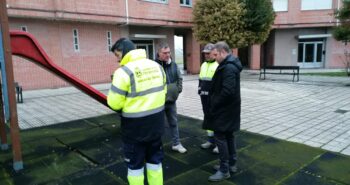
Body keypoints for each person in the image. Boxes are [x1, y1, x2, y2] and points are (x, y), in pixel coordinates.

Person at [107, 38, 166, 185]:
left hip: (135, 131)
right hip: (156, 126)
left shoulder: (123, 72)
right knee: (155, 163)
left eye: (117, 55)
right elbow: (163, 92)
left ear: (123, 51)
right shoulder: (157, 66)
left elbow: (114, 103)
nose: (117, 59)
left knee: (135, 168)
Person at [204, 41, 242, 182]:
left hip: (225, 109)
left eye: (215, 55)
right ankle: (231, 164)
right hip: (230, 109)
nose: (214, 58)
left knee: (220, 137)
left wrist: (214, 103)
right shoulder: (229, 65)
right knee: (229, 136)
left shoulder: (228, 68)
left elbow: (227, 91)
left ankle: (224, 169)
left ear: (222, 52)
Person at [155, 43, 187, 153]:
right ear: (159, 53)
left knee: (173, 122)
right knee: (158, 125)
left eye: (169, 52)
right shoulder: (154, 66)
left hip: (171, 100)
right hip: (158, 102)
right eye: (165, 53)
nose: (168, 55)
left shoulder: (173, 65)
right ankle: (156, 146)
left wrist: (177, 90)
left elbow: (179, 78)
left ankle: (176, 143)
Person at [198, 43, 219, 154]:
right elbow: (200, 79)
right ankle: (210, 141)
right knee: (208, 118)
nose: (206, 55)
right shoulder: (203, 65)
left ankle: (219, 144)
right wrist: (199, 90)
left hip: (214, 99)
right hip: (204, 98)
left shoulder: (218, 65)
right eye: (205, 53)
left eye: (208, 53)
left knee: (216, 120)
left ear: (214, 53)